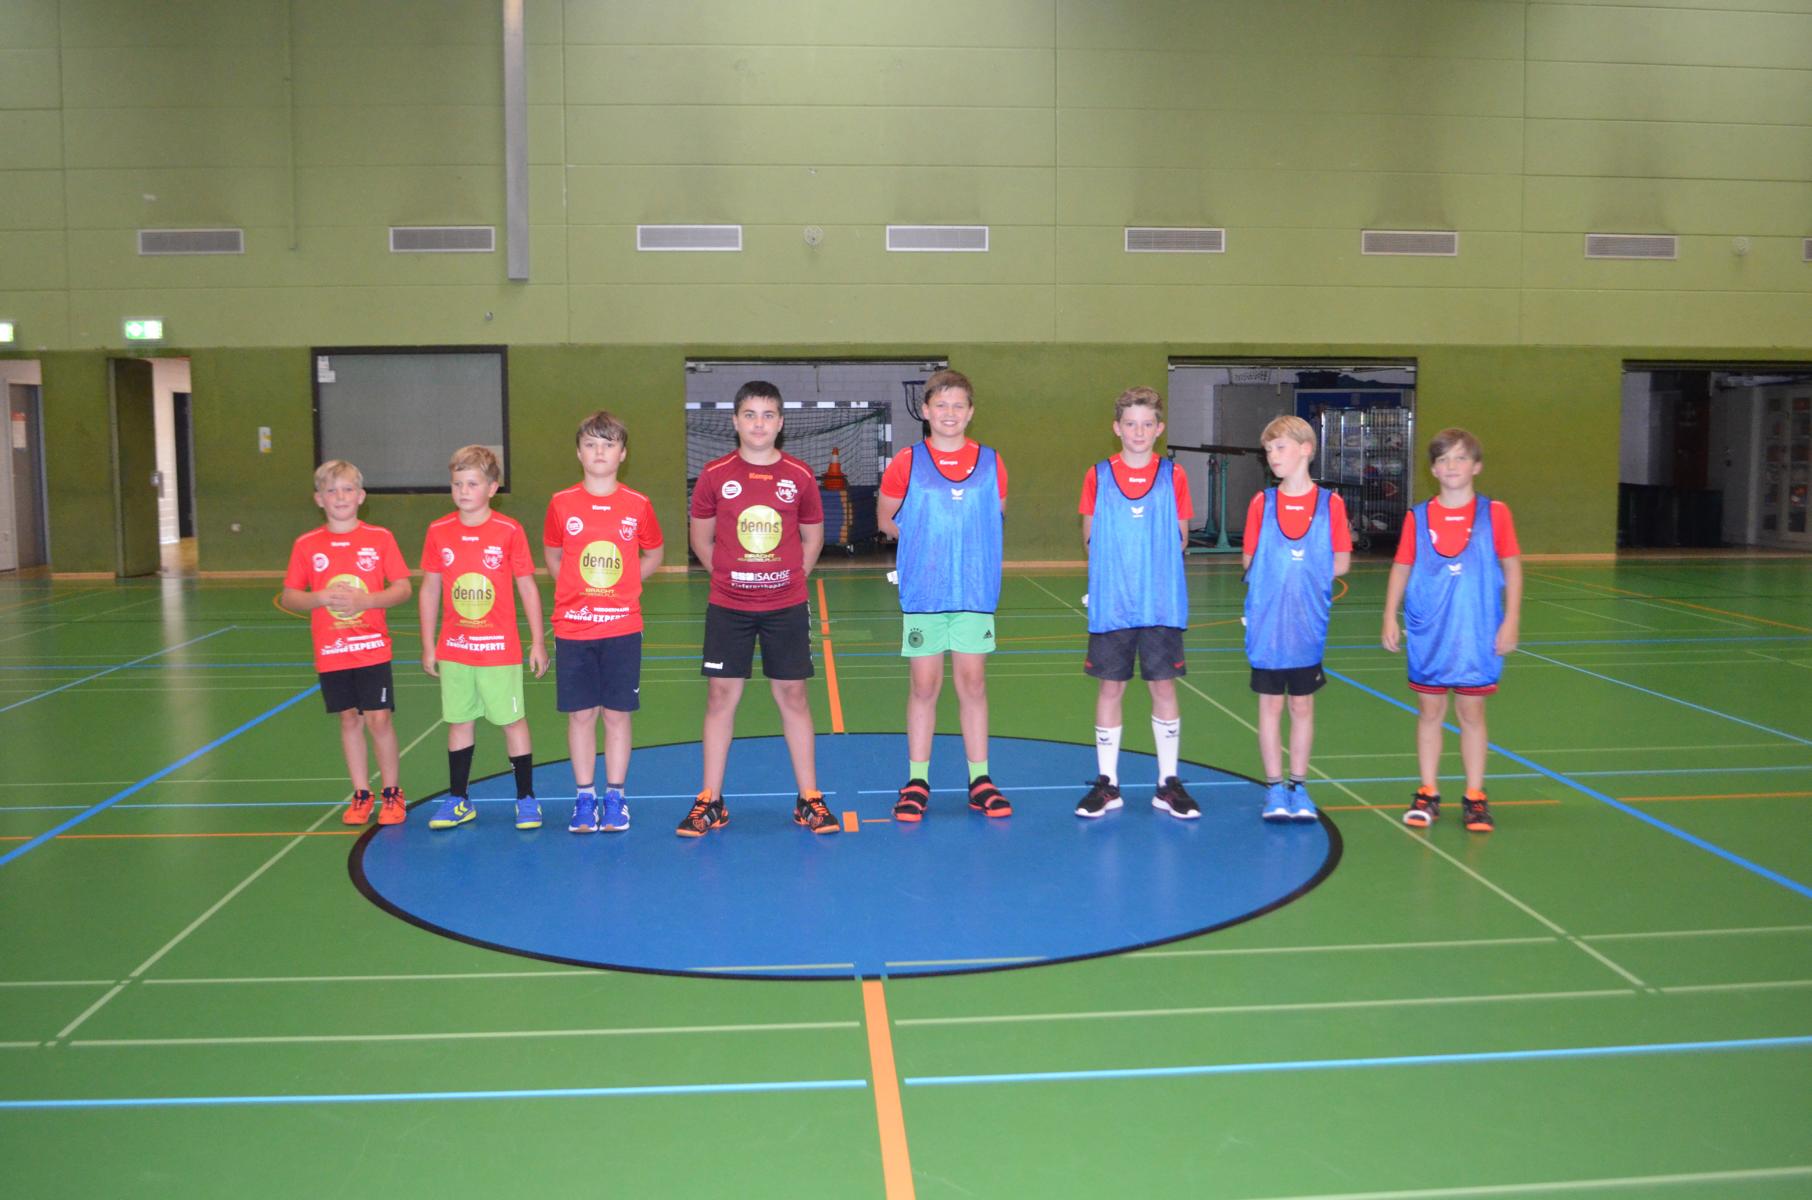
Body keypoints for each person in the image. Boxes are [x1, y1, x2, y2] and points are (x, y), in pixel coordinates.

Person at [681, 381, 837, 836]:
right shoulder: (714, 474)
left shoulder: (800, 475)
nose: (759, 423)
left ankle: (809, 798)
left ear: (780, 422)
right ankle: (710, 800)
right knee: (720, 697)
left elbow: (812, 538)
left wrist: (791, 579)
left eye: (768, 415)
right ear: (735, 421)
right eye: (750, 414)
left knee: (793, 696)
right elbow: (700, 538)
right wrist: (728, 577)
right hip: (728, 605)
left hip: (785, 605)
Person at [877, 369, 1012, 821]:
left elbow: (994, 518)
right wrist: (926, 546)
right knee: (924, 686)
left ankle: (980, 779)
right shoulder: (907, 461)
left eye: (958, 405)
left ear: (970, 412)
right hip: (925, 594)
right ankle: (917, 780)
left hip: (973, 592)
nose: (949, 413)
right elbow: (886, 520)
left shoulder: (992, 462)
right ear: (926, 411)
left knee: (973, 684)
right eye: (941, 405)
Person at [1381, 427, 1522, 833]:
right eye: (1443, 459)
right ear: (1433, 470)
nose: (1451, 465)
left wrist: (1511, 619)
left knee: (1471, 712)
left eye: (1460, 457)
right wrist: (1389, 614)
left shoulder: (1495, 514)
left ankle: (1475, 796)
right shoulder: (1418, 516)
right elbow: (1402, 566)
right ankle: (1427, 791)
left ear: (1476, 466)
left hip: (1476, 629)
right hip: (1430, 629)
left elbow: (1512, 566)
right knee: (1429, 711)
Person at [1071, 387, 1197, 819]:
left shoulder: (1173, 475)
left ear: (1159, 428)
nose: (1139, 432)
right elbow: (1090, 540)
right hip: (1114, 604)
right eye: (1131, 424)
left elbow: (1181, 538)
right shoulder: (1098, 475)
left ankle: (1168, 783)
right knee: (1111, 688)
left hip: (1160, 603)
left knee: (1164, 687)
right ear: (1117, 428)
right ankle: (1108, 783)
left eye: (1147, 424)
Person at [543, 411, 663, 834]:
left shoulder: (638, 505)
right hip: (574, 628)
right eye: (591, 444)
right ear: (578, 453)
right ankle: (584, 797)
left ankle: (615, 797)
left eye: (608, 445)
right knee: (580, 715)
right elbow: (553, 553)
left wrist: (627, 582)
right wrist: (573, 587)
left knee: (616, 714)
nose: (599, 452)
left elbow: (654, 553)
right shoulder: (561, 503)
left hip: (621, 628)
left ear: (622, 454)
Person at [418, 445, 548, 831]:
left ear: (492, 488)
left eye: (472, 483)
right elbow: (430, 589)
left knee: (512, 721)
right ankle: (459, 799)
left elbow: (527, 587)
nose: (463, 491)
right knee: (459, 722)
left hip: (498, 650)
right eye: (457, 483)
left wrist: (538, 641)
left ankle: (526, 798)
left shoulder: (509, 531)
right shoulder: (438, 531)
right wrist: (428, 643)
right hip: (455, 649)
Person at [281, 461, 413, 826]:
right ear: (319, 499)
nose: (340, 497)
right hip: (332, 650)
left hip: (372, 647)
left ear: (361, 496)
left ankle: (392, 792)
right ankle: (361, 793)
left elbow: (403, 588)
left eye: (347, 489)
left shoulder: (380, 538)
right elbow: (290, 596)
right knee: (348, 718)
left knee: (379, 719)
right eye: (331, 491)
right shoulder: (307, 545)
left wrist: (366, 601)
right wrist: (320, 597)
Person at [1242, 415, 1351, 821]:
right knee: (1270, 706)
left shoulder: (1330, 504)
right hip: (1269, 626)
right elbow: (1249, 561)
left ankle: (1298, 786)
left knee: (1302, 706)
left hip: (1307, 624)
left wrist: (1307, 571)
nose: (1272, 456)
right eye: (1268, 450)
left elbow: (1342, 562)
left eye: (1280, 447)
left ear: (1306, 449)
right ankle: (1274, 788)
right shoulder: (1262, 503)